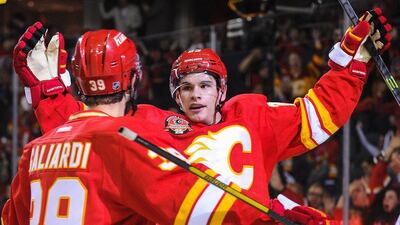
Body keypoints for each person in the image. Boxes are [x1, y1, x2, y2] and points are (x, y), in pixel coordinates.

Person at [4, 7, 392, 224]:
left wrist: (350, 65)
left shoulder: (254, 116)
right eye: (185, 88)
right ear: (174, 95)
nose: (195, 95)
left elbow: (317, 116)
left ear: (222, 90)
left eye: (204, 85)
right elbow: (89, 137)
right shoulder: (153, 125)